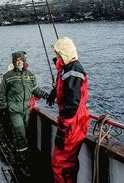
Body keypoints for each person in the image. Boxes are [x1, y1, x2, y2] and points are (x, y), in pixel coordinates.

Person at [0, 51, 51, 173]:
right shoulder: (8, 76)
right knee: (21, 136)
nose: (19, 63)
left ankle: (17, 156)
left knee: (24, 135)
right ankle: (23, 163)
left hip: (27, 110)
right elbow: (2, 94)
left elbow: (36, 90)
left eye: (21, 61)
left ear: (24, 62)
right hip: (14, 111)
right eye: (17, 61)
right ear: (14, 62)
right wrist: (3, 108)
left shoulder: (31, 76)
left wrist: (48, 96)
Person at [47, 37, 90, 183]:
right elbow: (66, 89)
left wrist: (63, 128)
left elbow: (72, 104)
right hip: (74, 121)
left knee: (60, 162)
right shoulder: (68, 69)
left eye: (58, 53)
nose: (57, 56)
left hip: (73, 123)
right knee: (68, 162)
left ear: (64, 53)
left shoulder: (73, 71)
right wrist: (54, 92)